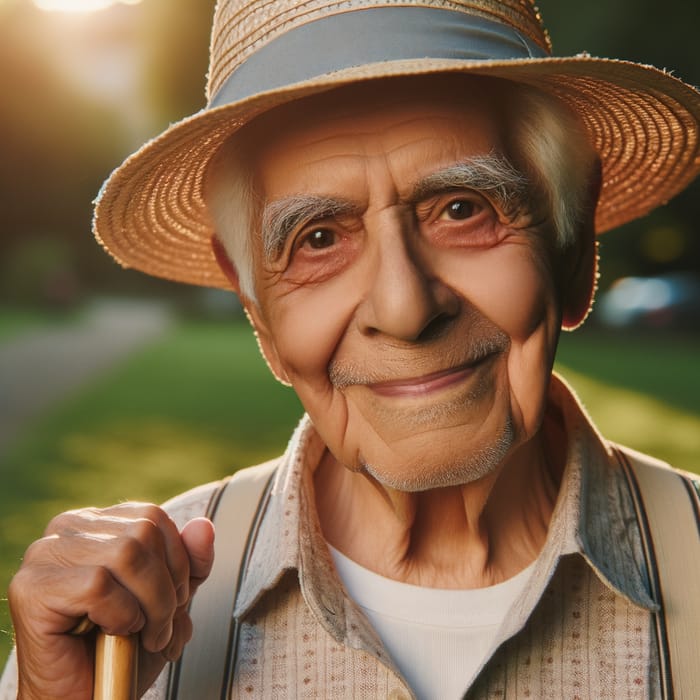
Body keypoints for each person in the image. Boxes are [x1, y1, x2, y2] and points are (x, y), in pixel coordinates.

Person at [2, 0, 700, 698]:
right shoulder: (117, 634)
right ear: (260, 316)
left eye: (463, 208)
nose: (404, 309)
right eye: (319, 238)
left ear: (575, 253)